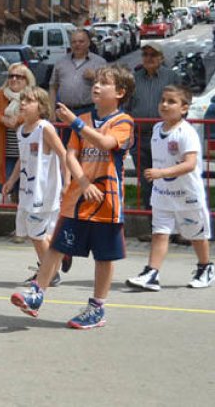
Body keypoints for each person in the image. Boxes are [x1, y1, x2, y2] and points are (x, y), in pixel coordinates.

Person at [11, 65, 135, 330]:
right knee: (57, 246)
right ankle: (37, 293)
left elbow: (106, 144)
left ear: (120, 92)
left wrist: (75, 123)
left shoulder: (123, 122)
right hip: (78, 199)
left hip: (107, 201)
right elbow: (70, 153)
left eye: (105, 83)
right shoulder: (84, 118)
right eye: (96, 82)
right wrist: (81, 181)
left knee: (104, 256)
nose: (97, 86)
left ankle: (97, 307)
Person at [126, 84, 215, 291]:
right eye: (163, 101)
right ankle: (151, 273)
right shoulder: (158, 128)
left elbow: (190, 164)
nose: (165, 105)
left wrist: (161, 173)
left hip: (187, 195)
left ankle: (205, 268)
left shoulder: (187, 133)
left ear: (184, 108)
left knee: (196, 235)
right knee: (159, 233)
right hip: (163, 195)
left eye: (171, 102)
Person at [4, 87, 67, 285]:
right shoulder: (21, 130)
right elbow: (21, 160)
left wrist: (67, 183)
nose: (23, 103)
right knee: (36, 234)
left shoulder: (45, 128)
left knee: (37, 235)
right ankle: (56, 258)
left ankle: (50, 273)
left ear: (41, 107)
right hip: (27, 190)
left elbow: (63, 154)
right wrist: (11, 181)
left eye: (29, 100)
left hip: (44, 191)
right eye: (22, 100)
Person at [129, 41, 180, 214]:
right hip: (140, 137)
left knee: (169, 181)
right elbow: (126, 107)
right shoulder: (134, 79)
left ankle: (174, 227)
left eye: (153, 55)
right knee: (147, 182)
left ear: (161, 58)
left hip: (165, 137)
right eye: (145, 55)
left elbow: (182, 104)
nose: (149, 58)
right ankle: (154, 227)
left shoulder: (171, 77)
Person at [0, 62, 36, 211]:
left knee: (25, 187)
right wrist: (2, 119)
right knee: (4, 185)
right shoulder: (0, 95)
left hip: (28, 150)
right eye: (11, 76)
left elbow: (39, 115)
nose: (14, 79)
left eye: (19, 76)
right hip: (7, 152)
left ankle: (20, 220)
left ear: (27, 80)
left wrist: (18, 120)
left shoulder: (33, 96)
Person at [48, 29, 106, 118]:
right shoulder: (61, 62)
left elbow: (109, 88)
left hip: (88, 111)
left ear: (88, 43)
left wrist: (96, 77)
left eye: (81, 41)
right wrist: (51, 111)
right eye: (74, 42)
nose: (77, 44)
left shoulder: (99, 62)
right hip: (64, 111)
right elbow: (53, 87)